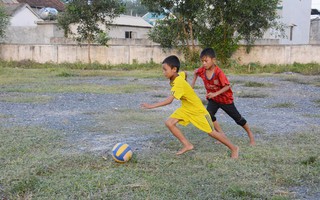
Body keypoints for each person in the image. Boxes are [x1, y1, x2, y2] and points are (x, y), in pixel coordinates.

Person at [141, 55, 239, 158]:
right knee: (169, 123)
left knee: (212, 133)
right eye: (163, 70)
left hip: (198, 111)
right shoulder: (178, 76)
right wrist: (189, 87)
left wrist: (151, 106)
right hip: (186, 108)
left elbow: (169, 101)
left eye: (165, 70)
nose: (163, 72)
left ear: (174, 69)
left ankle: (234, 148)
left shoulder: (178, 83)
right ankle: (187, 145)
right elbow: (185, 74)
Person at [191, 48, 255, 146]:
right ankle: (222, 135)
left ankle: (251, 135)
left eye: (206, 61)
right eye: (202, 61)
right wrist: (193, 84)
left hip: (225, 100)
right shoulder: (202, 70)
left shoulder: (219, 73)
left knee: (238, 119)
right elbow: (196, 72)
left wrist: (215, 93)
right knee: (208, 116)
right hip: (213, 100)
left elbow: (227, 86)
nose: (204, 63)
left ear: (213, 60)